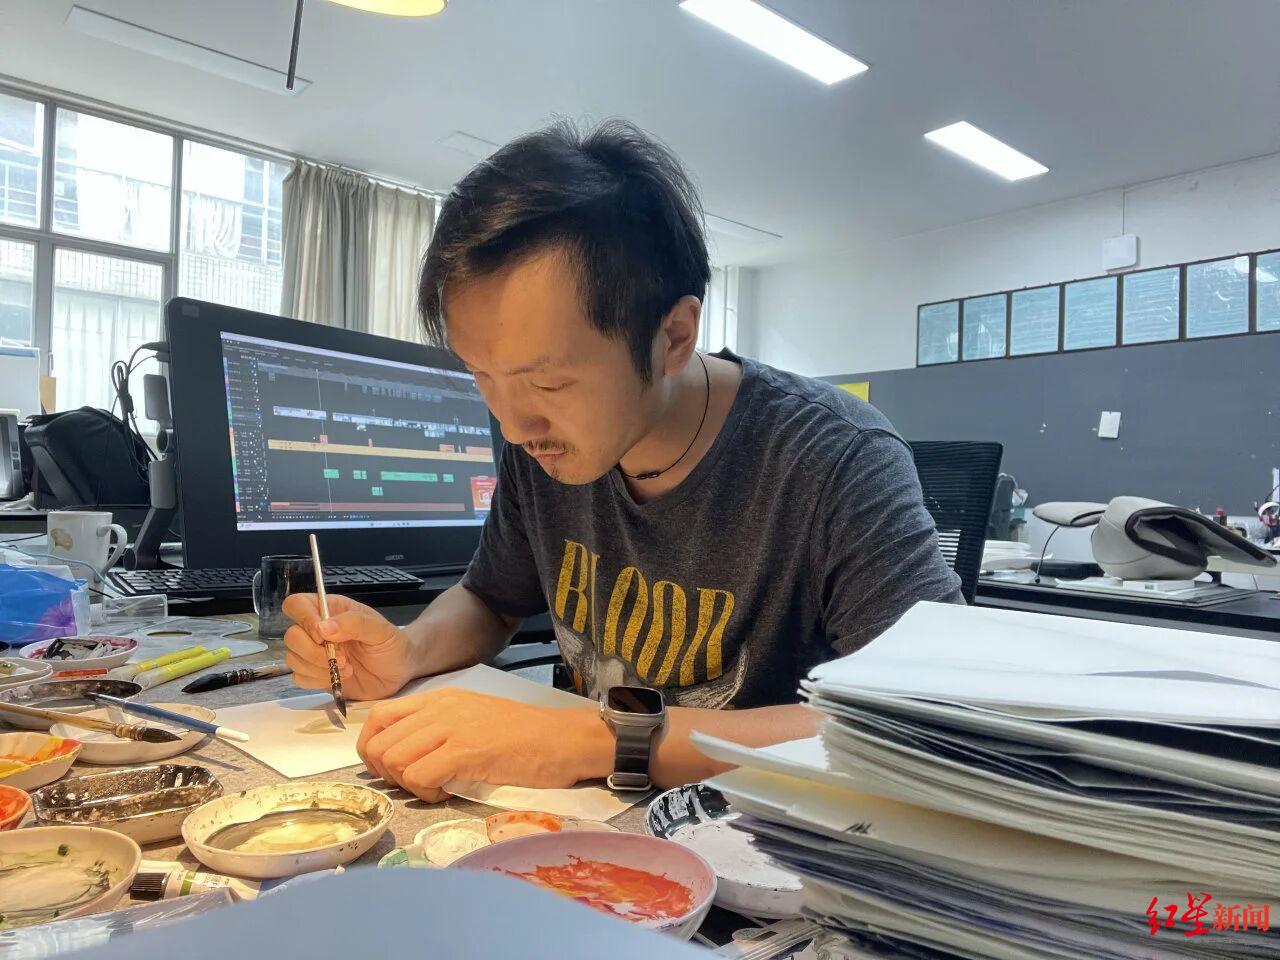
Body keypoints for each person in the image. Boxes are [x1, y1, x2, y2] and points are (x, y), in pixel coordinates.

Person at [283, 119, 962, 802]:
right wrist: (409, 651)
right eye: (482, 376)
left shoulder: (836, 460)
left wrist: (597, 738)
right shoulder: (541, 442)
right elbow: (491, 598)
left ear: (674, 336)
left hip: (767, 836)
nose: (515, 425)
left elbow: (922, 722)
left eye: (549, 383)